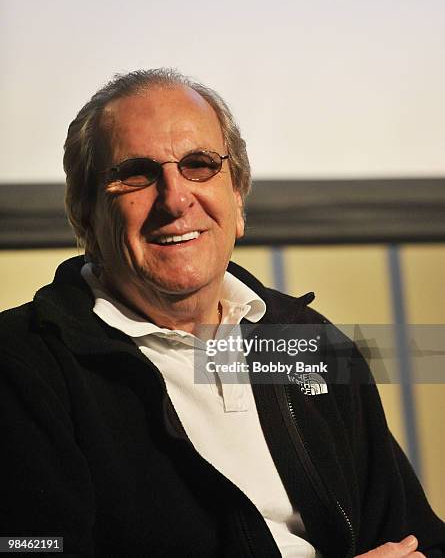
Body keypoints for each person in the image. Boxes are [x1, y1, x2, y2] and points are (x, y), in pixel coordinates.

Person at [0, 69, 443, 558]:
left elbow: (412, 535)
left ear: (237, 196)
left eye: (199, 165)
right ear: (84, 212)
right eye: (137, 173)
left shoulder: (306, 340)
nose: (175, 199)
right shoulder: (22, 366)